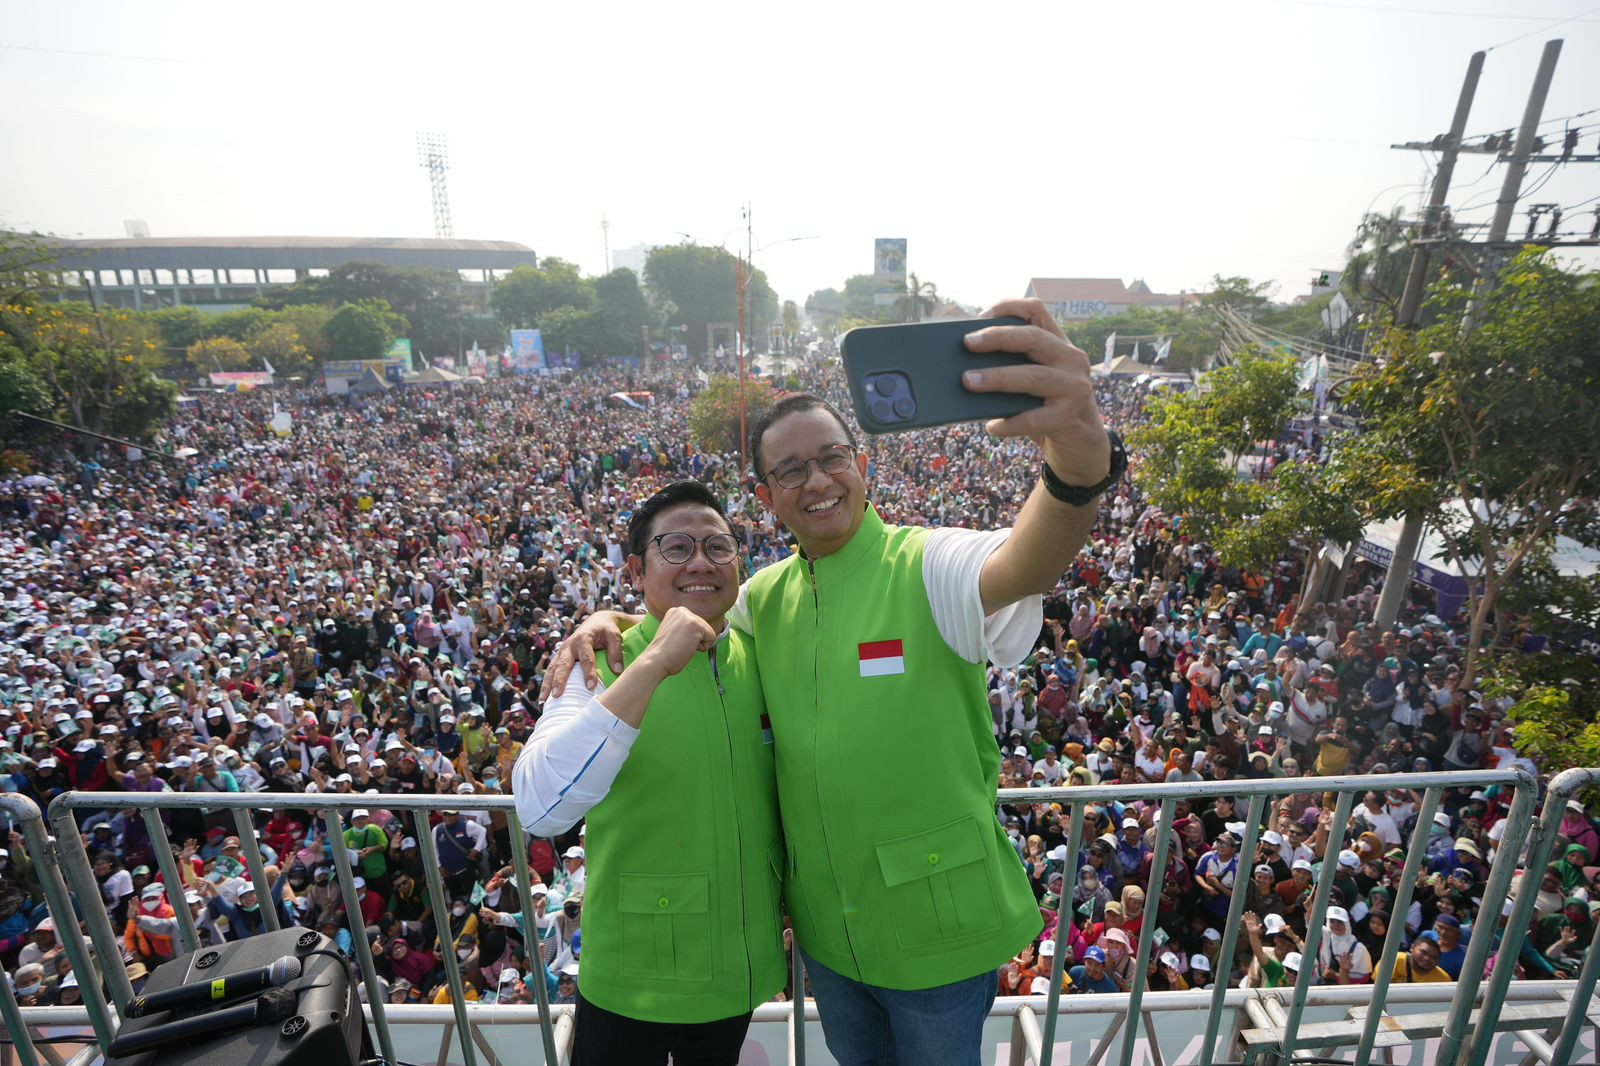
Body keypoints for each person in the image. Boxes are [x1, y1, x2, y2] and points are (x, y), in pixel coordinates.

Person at [551, 299, 1118, 1064]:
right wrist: (613, 620)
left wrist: (1078, 460)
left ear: (862, 464)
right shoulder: (761, 600)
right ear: (766, 497)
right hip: (829, 942)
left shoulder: (926, 564)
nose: (816, 481)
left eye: (831, 458)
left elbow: (1026, 560)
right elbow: (686, 612)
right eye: (790, 470)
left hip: (937, 938)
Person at [515, 481, 785, 1066]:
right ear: (637, 569)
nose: (701, 563)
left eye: (718, 547)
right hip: (634, 972)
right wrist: (654, 663)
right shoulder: (600, 662)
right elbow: (540, 806)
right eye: (677, 547)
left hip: (738, 967)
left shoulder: (760, 653)